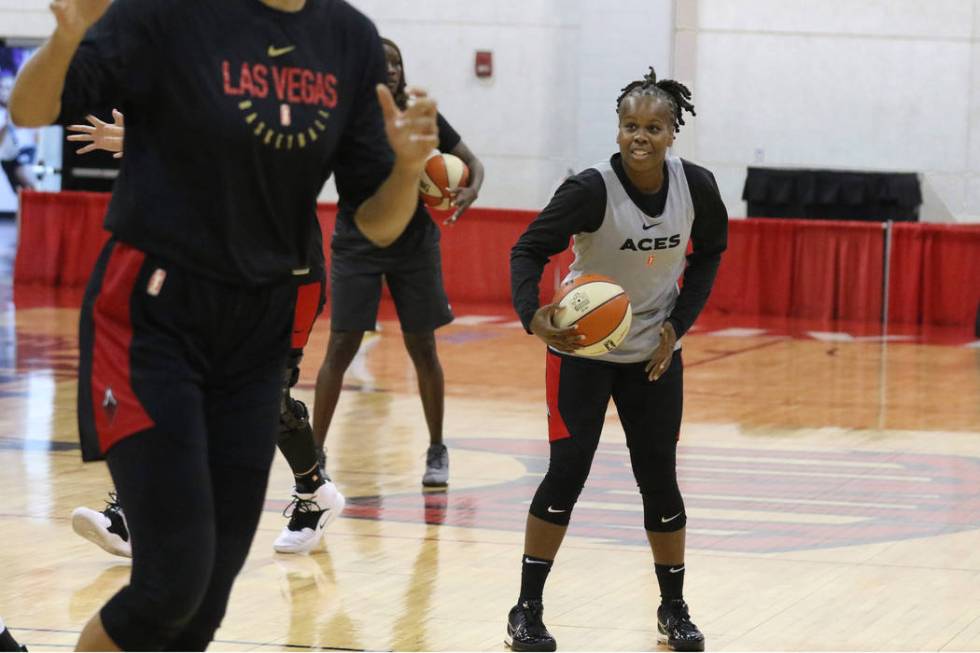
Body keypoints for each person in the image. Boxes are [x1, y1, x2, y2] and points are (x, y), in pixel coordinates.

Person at [8, 0, 438, 649]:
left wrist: (406, 171)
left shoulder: (347, 38)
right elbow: (29, 109)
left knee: (204, 605)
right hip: (153, 316)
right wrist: (67, 38)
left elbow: (376, 219)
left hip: (257, 330)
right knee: (171, 581)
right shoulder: (169, 12)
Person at [506, 67, 728, 652]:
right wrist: (533, 315)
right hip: (583, 350)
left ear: (672, 132)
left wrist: (676, 329)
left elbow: (710, 255)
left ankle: (673, 609)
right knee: (567, 473)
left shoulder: (697, 187)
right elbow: (528, 248)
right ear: (618, 127)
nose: (640, 136)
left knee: (659, 479)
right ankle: (526, 609)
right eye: (630, 125)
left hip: (653, 353)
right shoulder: (589, 189)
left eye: (653, 127)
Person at [66, 109, 345, 557]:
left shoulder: (282, 108)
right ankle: (133, 516)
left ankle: (315, 493)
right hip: (226, 273)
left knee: (266, 399)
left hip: (289, 278)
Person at [312, 37, 485, 487]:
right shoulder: (343, 115)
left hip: (414, 240)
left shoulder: (418, 114)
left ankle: (436, 449)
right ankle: (313, 455)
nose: (389, 69)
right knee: (340, 346)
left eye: (396, 62)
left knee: (422, 347)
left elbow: (472, 163)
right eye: (381, 62)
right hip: (356, 238)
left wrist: (470, 188)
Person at [0, 72, 37, 195]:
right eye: (2, 88)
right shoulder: (3, 114)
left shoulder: (23, 108)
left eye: (9, 88)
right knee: (21, 192)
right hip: (9, 157)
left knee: (30, 186)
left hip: (25, 152)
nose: (5, 92)